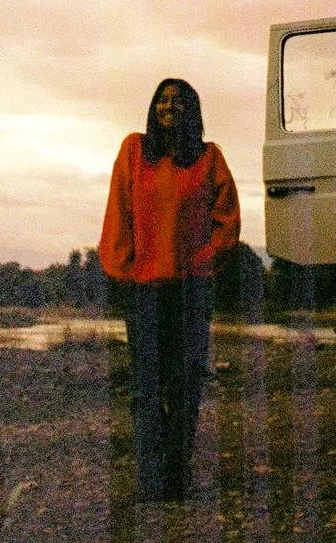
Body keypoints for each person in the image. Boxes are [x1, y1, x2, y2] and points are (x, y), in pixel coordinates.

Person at [99, 78, 240, 502]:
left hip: (191, 292)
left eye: (178, 101)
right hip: (144, 290)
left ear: (192, 110)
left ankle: (176, 477)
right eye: (161, 99)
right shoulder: (133, 151)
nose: (168, 106)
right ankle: (150, 481)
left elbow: (227, 220)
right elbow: (118, 214)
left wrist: (202, 262)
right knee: (146, 388)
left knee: (184, 386)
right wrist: (123, 270)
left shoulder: (210, 158)